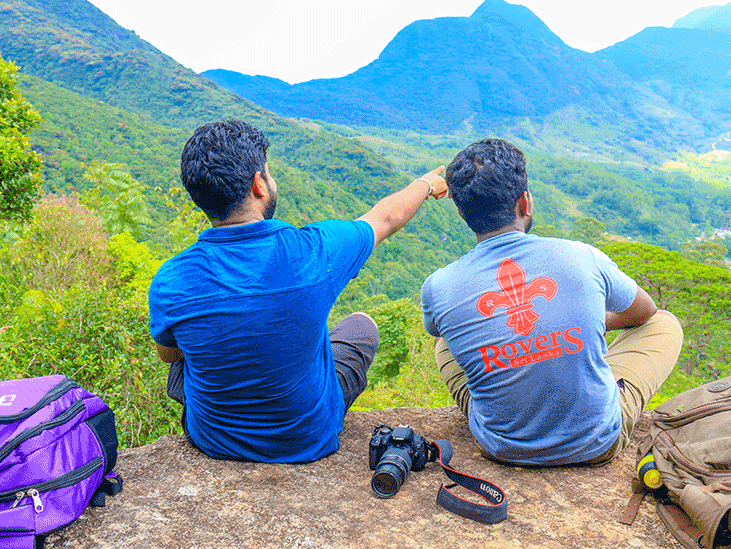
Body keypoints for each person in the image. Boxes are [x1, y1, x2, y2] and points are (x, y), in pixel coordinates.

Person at [149, 119, 448, 463]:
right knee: (362, 326)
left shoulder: (171, 278)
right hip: (306, 437)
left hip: (214, 438)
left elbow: (169, 356)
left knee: (181, 343)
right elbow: (384, 219)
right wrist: (425, 183)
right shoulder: (312, 252)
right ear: (258, 184)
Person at [420, 138, 683, 466]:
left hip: (501, 446)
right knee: (664, 323)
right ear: (525, 202)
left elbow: (437, 330)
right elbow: (645, 311)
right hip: (595, 442)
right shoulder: (580, 255)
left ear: (462, 212)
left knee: (445, 339)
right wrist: (584, 323)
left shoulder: (438, 287)